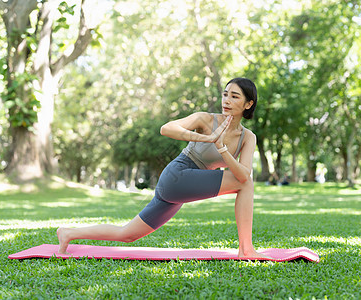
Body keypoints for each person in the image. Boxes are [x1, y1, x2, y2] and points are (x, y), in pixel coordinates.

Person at [57, 77, 265, 258]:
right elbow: (167, 128)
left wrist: (222, 149)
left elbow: (242, 174)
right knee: (245, 184)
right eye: (225, 94)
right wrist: (206, 138)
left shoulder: (248, 138)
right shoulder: (206, 119)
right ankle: (246, 249)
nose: (226, 100)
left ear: (248, 104)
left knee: (128, 234)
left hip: (182, 187)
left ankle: (68, 233)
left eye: (235, 97)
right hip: (178, 176)